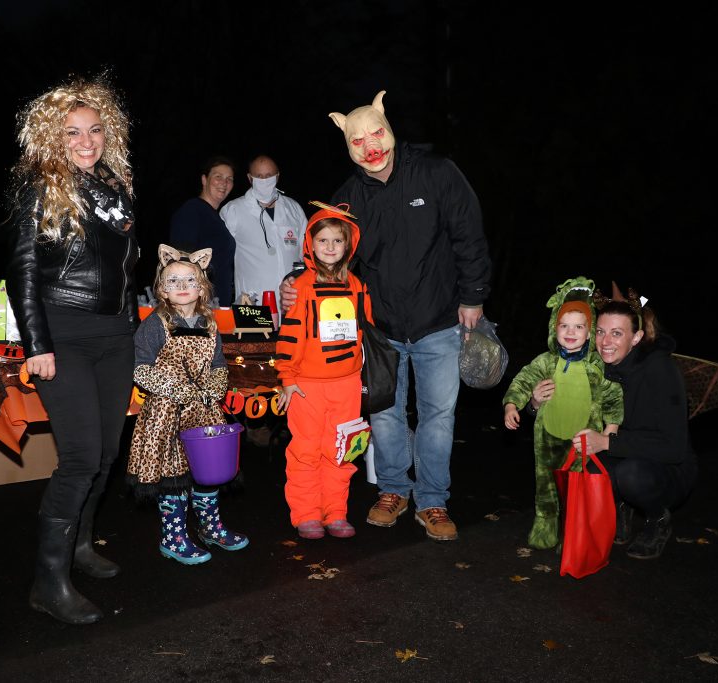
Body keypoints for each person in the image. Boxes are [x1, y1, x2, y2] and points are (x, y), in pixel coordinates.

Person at [281, 90, 492, 541]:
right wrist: (296, 282)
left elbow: (469, 235)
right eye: (357, 141)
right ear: (348, 145)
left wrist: (473, 296)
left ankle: (433, 502)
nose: (370, 146)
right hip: (379, 332)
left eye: (376, 133)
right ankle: (394, 490)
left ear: (390, 130)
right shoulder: (349, 197)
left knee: (439, 416)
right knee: (384, 414)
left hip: (439, 321)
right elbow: (328, 251)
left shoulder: (438, 174)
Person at [6, 76, 138, 625]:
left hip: (115, 334)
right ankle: (48, 581)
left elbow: (125, 266)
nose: (86, 141)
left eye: (94, 130)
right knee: (81, 457)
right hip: (64, 333)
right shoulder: (38, 185)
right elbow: (23, 268)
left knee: (106, 454)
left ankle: (81, 548)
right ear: (51, 137)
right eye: (72, 132)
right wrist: (37, 343)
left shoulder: (115, 185)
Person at [126, 245, 248, 565]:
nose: (181, 287)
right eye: (173, 281)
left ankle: (210, 528)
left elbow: (220, 365)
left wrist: (213, 388)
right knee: (174, 476)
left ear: (202, 286)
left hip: (204, 411)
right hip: (166, 413)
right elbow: (140, 368)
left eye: (189, 280)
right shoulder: (154, 324)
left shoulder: (209, 324)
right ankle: (174, 537)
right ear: (162, 289)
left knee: (207, 472)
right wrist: (175, 389)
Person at [568, 284, 697, 560]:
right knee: (585, 464)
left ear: (636, 337)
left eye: (617, 333)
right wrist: (535, 403)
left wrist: (606, 442)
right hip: (622, 452)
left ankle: (657, 520)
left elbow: (673, 448)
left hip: (666, 469)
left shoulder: (660, 370)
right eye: (601, 332)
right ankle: (619, 508)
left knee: (631, 474)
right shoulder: (597, 367)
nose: (605, 342)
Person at [501, 277, 623, 550]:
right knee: (545, 487)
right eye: (564, 326)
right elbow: (522, 380)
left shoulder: (597, 367)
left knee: (575, 491)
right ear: (553, 328)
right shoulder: (545, 361)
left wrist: (610, 428)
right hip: (546, 438)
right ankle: (545, 528)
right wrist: (512, 405)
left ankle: (572, 534)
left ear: (590, 332)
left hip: (581, 443)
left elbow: (613, 396)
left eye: (578, 326)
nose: (570, 332)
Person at [275, 203, 371, 540]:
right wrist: (287, 378)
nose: (330, 247)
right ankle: (306, 513)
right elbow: (290, 335)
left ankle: (336, 512)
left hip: (347, 385)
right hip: (307, 387)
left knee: (342, 449)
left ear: (348, 246)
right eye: (323, 240)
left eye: (337, 241)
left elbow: (366, 334)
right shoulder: (301, 287)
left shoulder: (358, 287)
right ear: (310, 245)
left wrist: (365, 379)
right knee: (306, 449)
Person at [220, 155, 308, 308]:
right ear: (250, 178)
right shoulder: (233, 210)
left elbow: (306, 253)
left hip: (291, 301)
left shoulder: (294, 209)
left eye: (268, 176)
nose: (264, 180)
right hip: (253, 302)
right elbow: (221, 256)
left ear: (278, 176)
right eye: (259, 176)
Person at [169, 156, 237, 306]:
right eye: (218, 176)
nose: (224, 183)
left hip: (217, 304)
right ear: (204, 180)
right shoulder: (192, 210)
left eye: (229, 179)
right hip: (201, 306)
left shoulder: (215, 218)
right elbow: (181, 261)